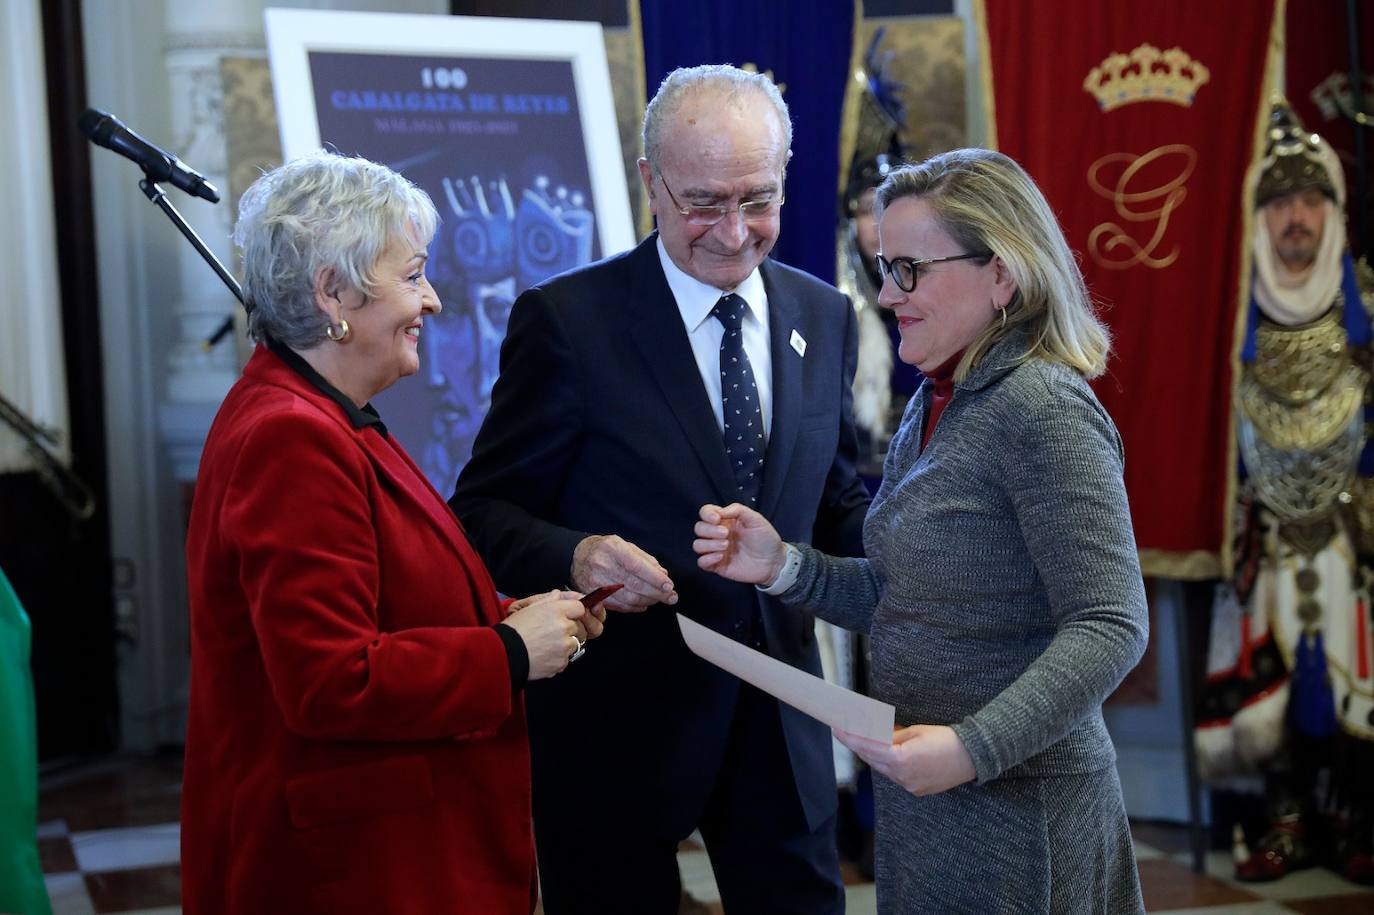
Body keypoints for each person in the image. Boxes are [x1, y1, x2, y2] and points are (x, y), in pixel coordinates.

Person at [451, 65, 870, 914]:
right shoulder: (569, 322)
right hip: (617, 733)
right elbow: (483, 512)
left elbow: (836, 500)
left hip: (782, 729)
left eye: (758, 199)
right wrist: (576, 553)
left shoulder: (823, 315)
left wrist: (931, 554)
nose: (735, 232)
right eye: (704, 203)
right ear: (651, 182)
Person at [694, 148, 1150, 914]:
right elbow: (905, 592)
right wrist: (783, 566)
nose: (885, 294)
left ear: (1002, 274)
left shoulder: (1043, 409)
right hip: (936, 802)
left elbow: (1112, 624)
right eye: (884, 267)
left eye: (909, 270)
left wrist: (973, 746)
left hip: (1022, 811)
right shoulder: (940, 395)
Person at [181, 152, 604, 915]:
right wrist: (509, 652)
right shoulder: (292, 437)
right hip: (352, 871)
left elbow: (382, 604)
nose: (433, 300)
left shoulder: (323, 415)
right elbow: (329, 680)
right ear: (333, 292)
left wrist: (520, 617)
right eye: (412, 275)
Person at [1195, 100, 1374, 884]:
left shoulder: (1367, 309)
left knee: (1353, 669)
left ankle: (1355, 819)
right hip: (1262, 536)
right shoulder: (1230, 318)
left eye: (1309, 201)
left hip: (1354, 537)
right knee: (1267, 675)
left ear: (1332, 212)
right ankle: (1286, 820)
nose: (1295, 218)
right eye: (1279, 204)